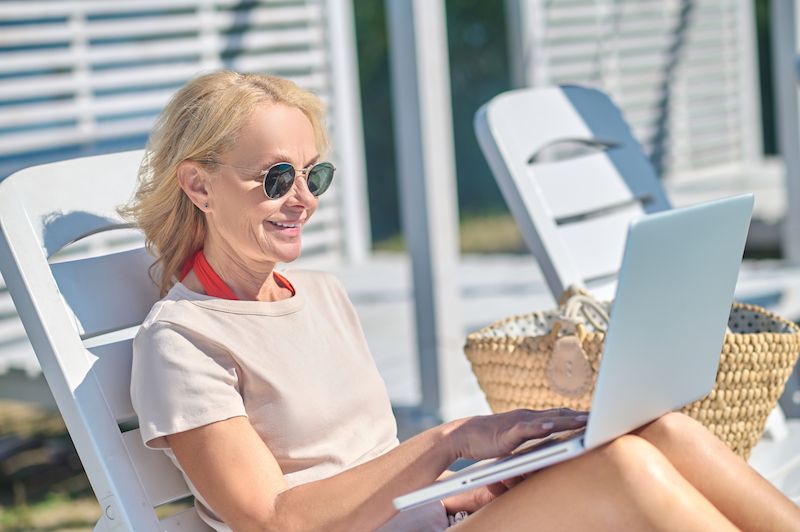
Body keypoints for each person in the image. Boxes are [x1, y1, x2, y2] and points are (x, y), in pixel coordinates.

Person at [121, 70, 800, 531]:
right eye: (275, 177)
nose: (302, 197)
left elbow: (364, 465)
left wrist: (464, 485)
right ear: (200, 186)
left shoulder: (320, 294)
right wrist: (452, 441)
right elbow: (275, 518)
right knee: (626, 468)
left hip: (433, 520)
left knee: (660, 431)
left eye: (312, 174)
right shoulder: (182, 342)